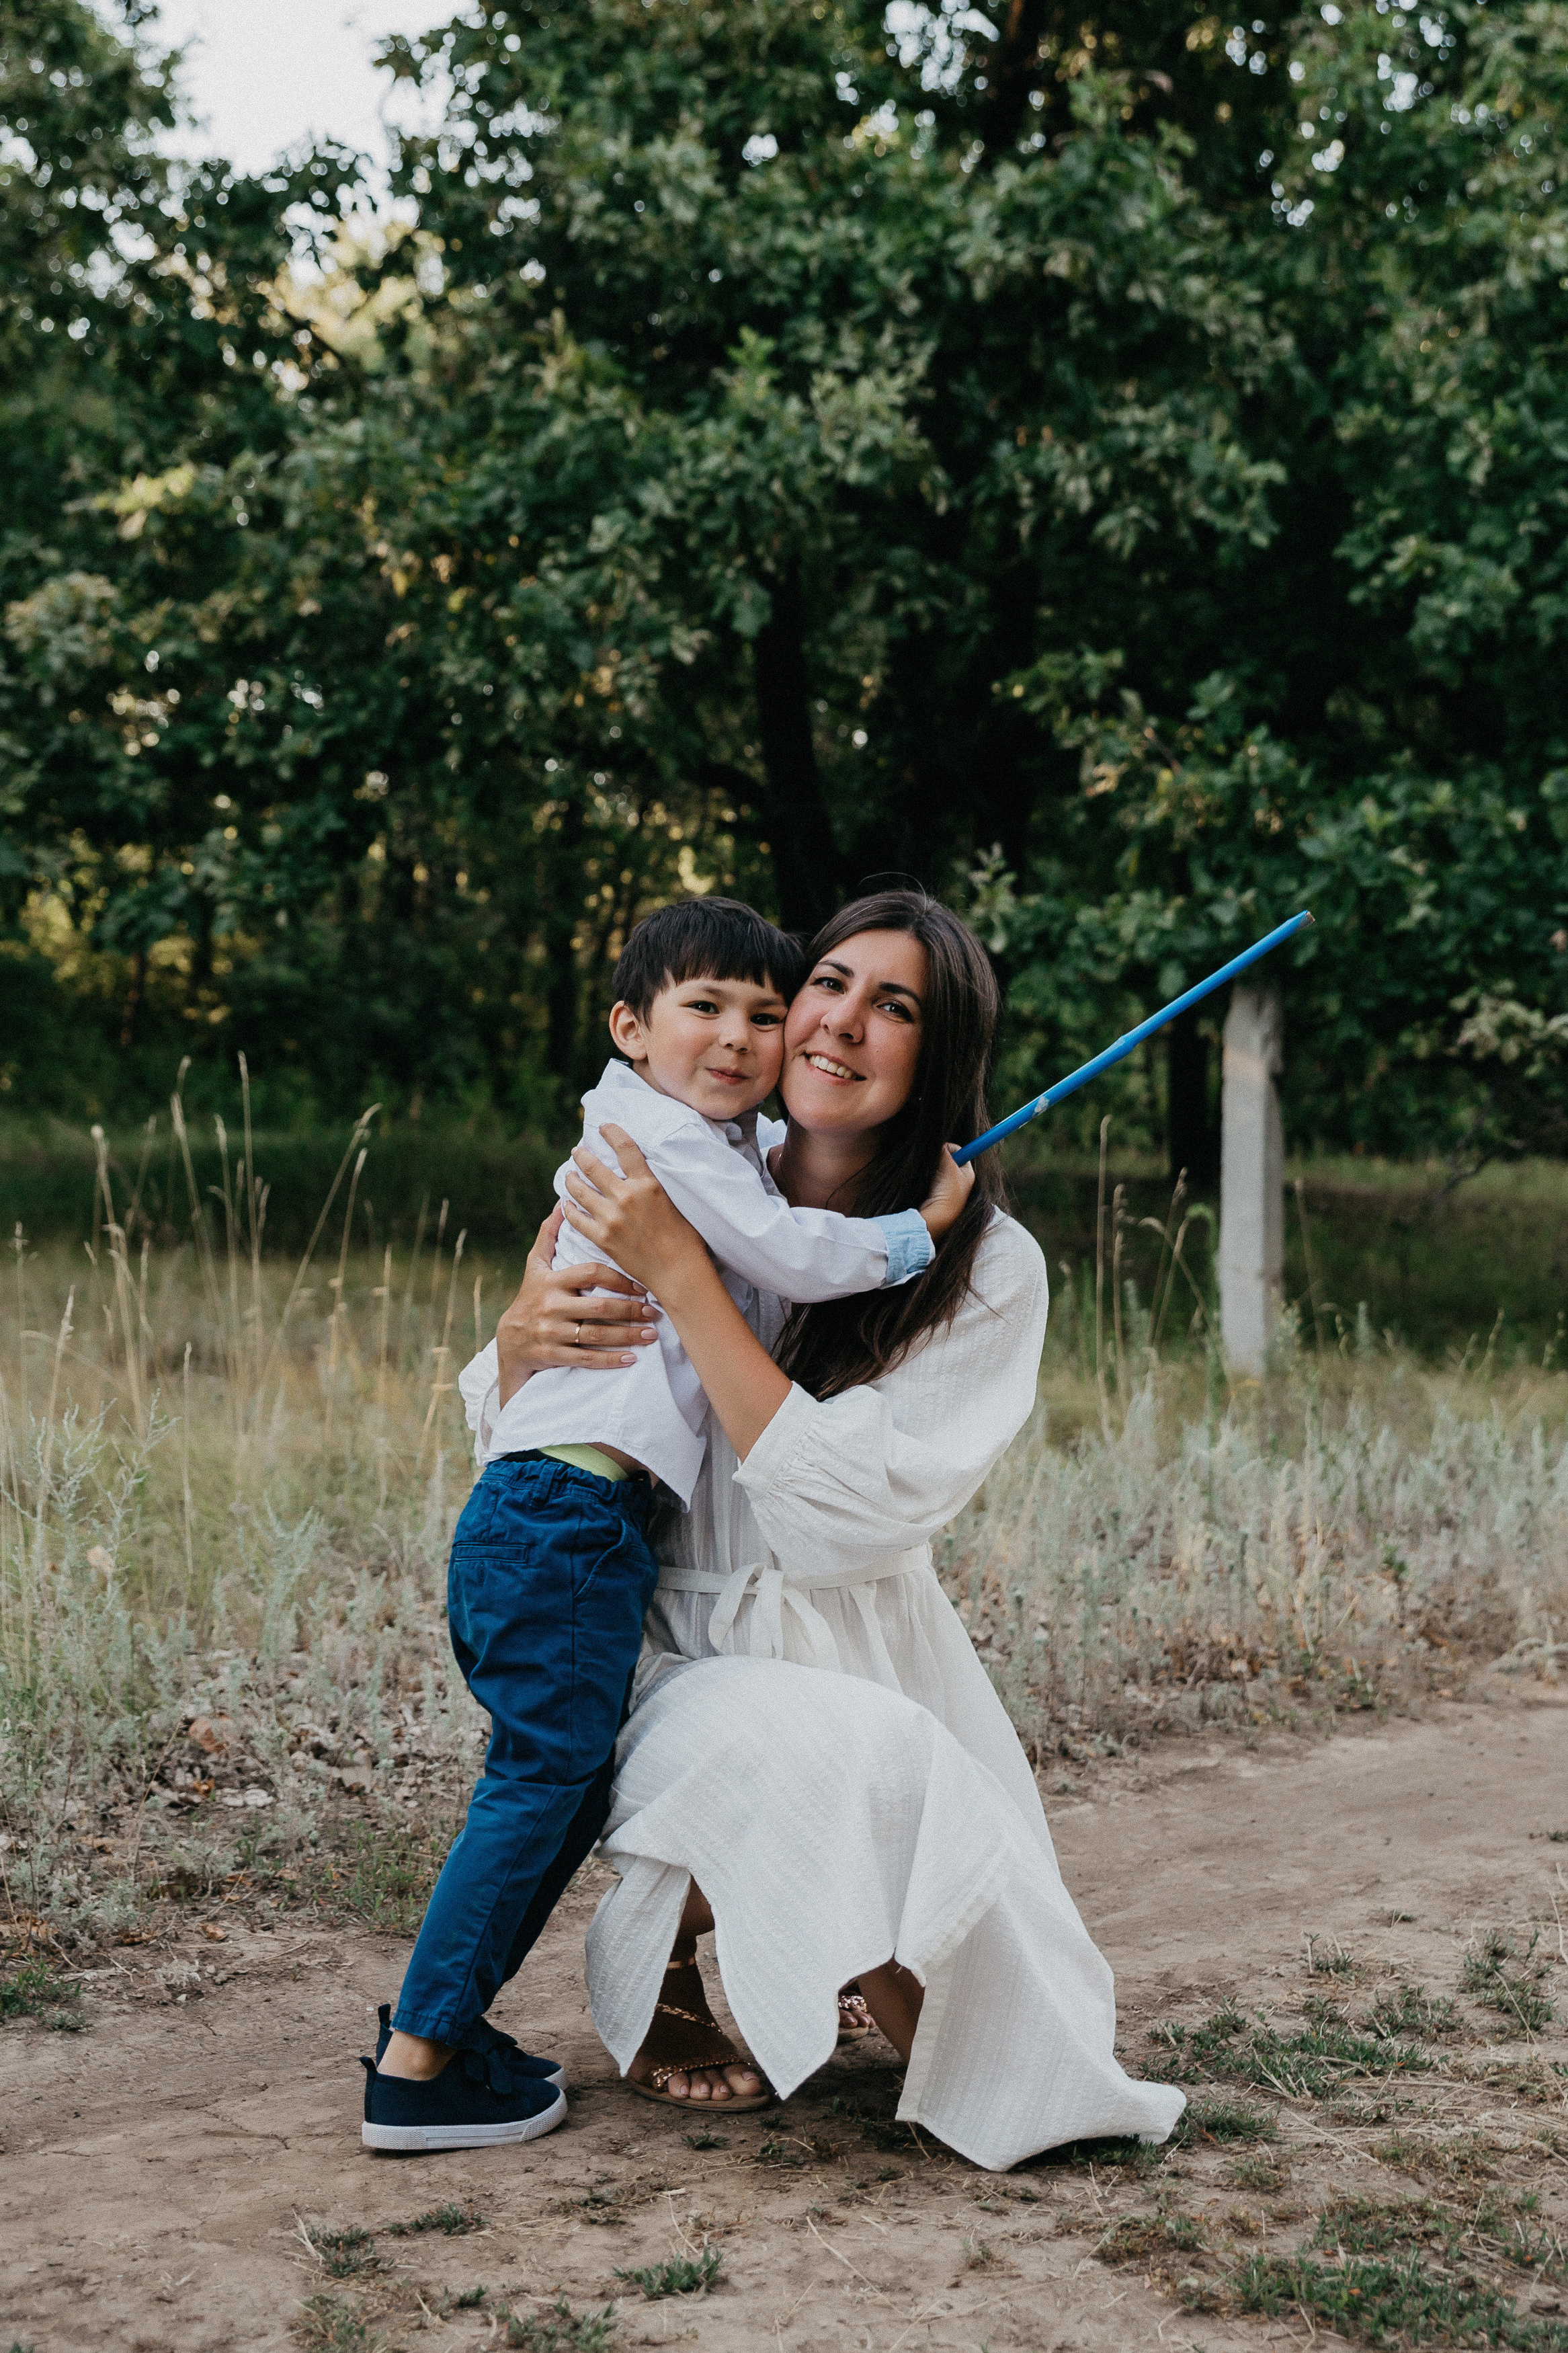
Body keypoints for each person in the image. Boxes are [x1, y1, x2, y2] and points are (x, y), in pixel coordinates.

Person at [499, 890, 1185, 2169]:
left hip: (859, 1643)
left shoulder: (986, 1265)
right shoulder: (681, 1157)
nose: (840, 1023)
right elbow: (528, 1417)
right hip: (655, 1645)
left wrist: (687, 1275)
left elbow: (840, 1524)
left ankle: (827, 1915)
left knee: (1016, 2032)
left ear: (939, 1055)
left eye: (896, 1006)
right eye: (826, 982)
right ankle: (663, 1950)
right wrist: (512, 1338)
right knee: (855, 1761)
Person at [360, 896, 971, 2153]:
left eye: (761, 1010)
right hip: (570, 1518)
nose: (742, 1038)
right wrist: (915, 1234)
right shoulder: (663, 1145)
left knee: (555, 1787)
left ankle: (442, 2036)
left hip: (563, 1520)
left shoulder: (691, 1136)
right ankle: (419, 2059)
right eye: (705, 1008)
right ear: (630, 1027)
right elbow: (784, 1255)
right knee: (540, 1786)